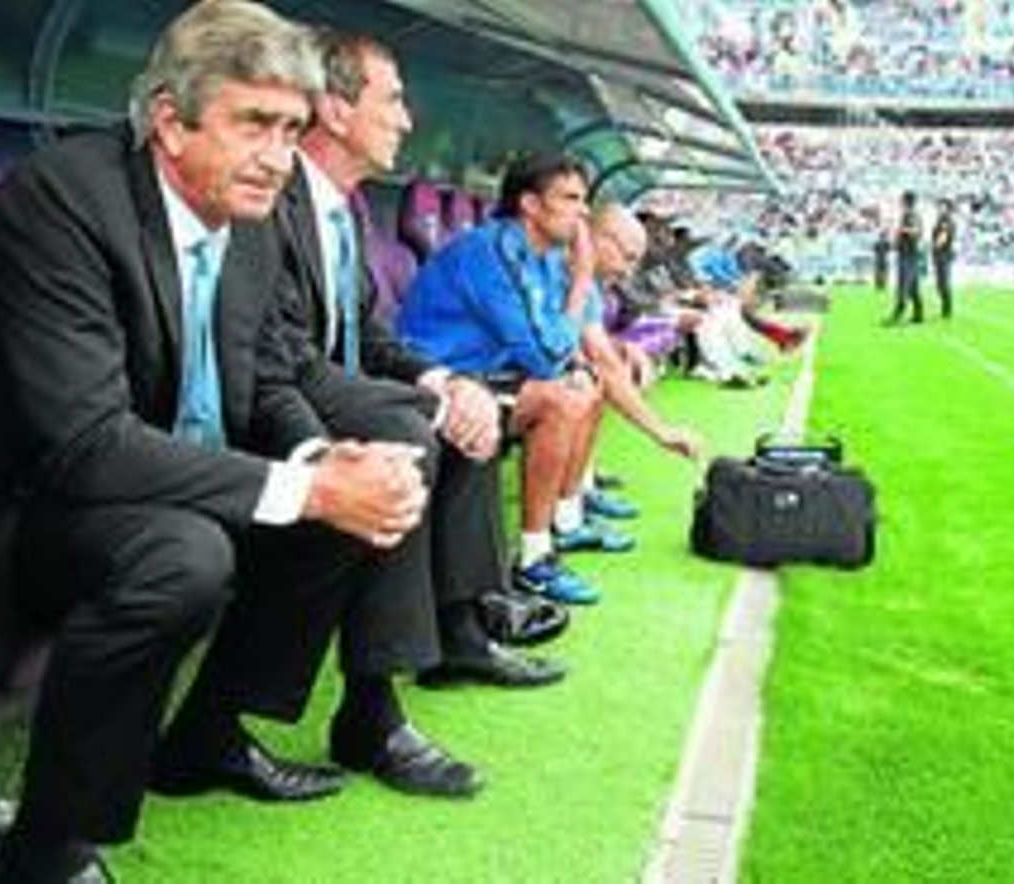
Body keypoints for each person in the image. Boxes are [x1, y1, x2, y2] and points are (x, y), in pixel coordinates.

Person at [0, 5, 475, 882]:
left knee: (346, 485)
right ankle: (48, 852)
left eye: (291, 129)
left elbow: (263, 380)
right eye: (252, 123)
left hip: (124, 494)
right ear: (169, 120)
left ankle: (206, 735)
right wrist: (306, 488)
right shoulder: (63, 202)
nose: (276, 154)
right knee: (181, 554)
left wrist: (322, 462)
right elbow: (85, 445)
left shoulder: (248, 215)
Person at [273, 30, 561, 687]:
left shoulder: (343, 211)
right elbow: (282, 357)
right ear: (336, 111)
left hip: (330, 389)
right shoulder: (272, 196)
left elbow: (371, 333)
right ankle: (372, 704)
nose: (407, 120)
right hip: (280, 406)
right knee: (412, 428)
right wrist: (426, 398)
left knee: (466, 409)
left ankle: (463, 630)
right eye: (393, 100)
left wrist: (447, 381)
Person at [396, 153, 610, 606]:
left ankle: (567, 519)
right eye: (570, 199)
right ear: (531, 205)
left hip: (486, 375)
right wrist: (583, 280)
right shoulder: (491, 251)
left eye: (584, 200)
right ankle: (533, 560)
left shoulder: (543, 255)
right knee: (561, 400)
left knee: (587, 384)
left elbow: (556, 342)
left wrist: (575, 365)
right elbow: (545, 355)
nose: (583, 212)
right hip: (431, 380)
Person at [581, 204, 705, 461]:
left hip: (633, 323)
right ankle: (572, 492)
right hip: (501, 381)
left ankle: (581, 484)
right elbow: (597, 352)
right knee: (583, 384)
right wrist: (660, 431)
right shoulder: (563, 273)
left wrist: (619, 347)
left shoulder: (590, 283)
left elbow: (592, 343)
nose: (628, 269)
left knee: (591, 377)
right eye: (627, 257)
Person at [886, 190, 924, 325]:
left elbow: (916, 232)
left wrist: (901, 230)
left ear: (905, 201)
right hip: (907, 253)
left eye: (901, 200)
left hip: (909, 254)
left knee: (903, 284)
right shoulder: (908, 215)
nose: (899, 202)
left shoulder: (911, 215)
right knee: (913, 286)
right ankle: (919, 315)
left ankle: (898, 314)